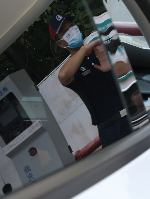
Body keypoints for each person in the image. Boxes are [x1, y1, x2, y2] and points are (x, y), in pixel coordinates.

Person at [49, 14, 132, 147]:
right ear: (59, 43)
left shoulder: (99, 50)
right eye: (65, 31)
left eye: (72, 25)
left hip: (131, 114)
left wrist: (110, 66)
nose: (72, 30)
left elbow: (124, 68)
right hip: (110, 129)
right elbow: (63, 77)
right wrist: (85, 49)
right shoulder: (72, 68)